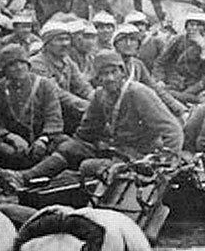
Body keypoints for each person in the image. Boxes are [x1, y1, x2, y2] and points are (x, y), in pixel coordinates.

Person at [56, 50, 184, 176]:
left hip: (140, 158)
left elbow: (173, 130)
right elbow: (87, 131)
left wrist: (165, 165)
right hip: (117, 151)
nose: (110, 78)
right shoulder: (100, 95)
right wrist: (67, 143)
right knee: (68, 148)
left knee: (87, 166)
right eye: (104, 74)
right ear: (98, 78)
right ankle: (36, 178)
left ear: (122, 73)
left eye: (114, 72)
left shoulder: (138, 93)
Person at [0, 45, 70, 191]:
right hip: (14, 149)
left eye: (22, 63)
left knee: (66, 145)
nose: (19, 68)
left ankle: (24, 176)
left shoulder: (44, 85)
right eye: (12, 65)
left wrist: (43, 139)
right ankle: (7, 174)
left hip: (42, 145)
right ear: (4, 69)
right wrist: (10, 137)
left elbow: (54, 117)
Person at [153, 12, 205, 105]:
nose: (194, 28)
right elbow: (160, 62)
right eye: (191, 25)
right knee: (158, 92)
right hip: (176, 82)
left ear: (204, 28)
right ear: (186, 26)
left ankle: (185, 98)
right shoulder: (178, 40)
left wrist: (204, 49)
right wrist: (160, 79)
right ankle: (187, 98)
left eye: (199, 25)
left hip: (198, 84)